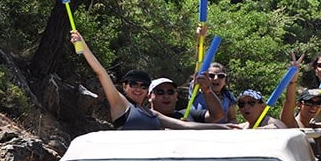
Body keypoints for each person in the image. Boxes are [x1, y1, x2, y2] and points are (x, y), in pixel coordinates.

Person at [70, 30, 226, 131]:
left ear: (147, 91)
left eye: (143, 86)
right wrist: (83, 46)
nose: (138, 89)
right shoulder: (120, 103)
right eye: (133, 84)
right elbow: (101, 73)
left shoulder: (151, 113)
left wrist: (224, 128)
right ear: (124, 86)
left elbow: (183, 125)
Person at [148, 77, 226, 123]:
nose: (166, 96)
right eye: (160, 92)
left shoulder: (187, 114)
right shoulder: (144, 117)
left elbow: (217, 115)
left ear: (176, 97)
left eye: (170, 92)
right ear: (149, 97)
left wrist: (207, 90)